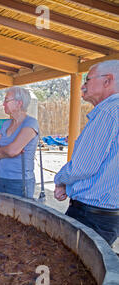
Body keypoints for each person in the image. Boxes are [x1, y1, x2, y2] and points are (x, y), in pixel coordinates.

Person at [54, 60, 119, 246]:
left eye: (88, 80)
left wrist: (61, 180)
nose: (83, 86)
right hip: (109, 215)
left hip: (90, 215)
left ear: (107, 81)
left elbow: (83, 167)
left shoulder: (107, 113)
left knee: (71, 267)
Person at [0, 87, 39, 198]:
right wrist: (9, 150)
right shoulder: (6, 124)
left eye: (6, 100)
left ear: (19, 103)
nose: (3, 104)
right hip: (1, 178)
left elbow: (12, 151)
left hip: (20, 181)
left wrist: (2, 150)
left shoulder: (31, 123)